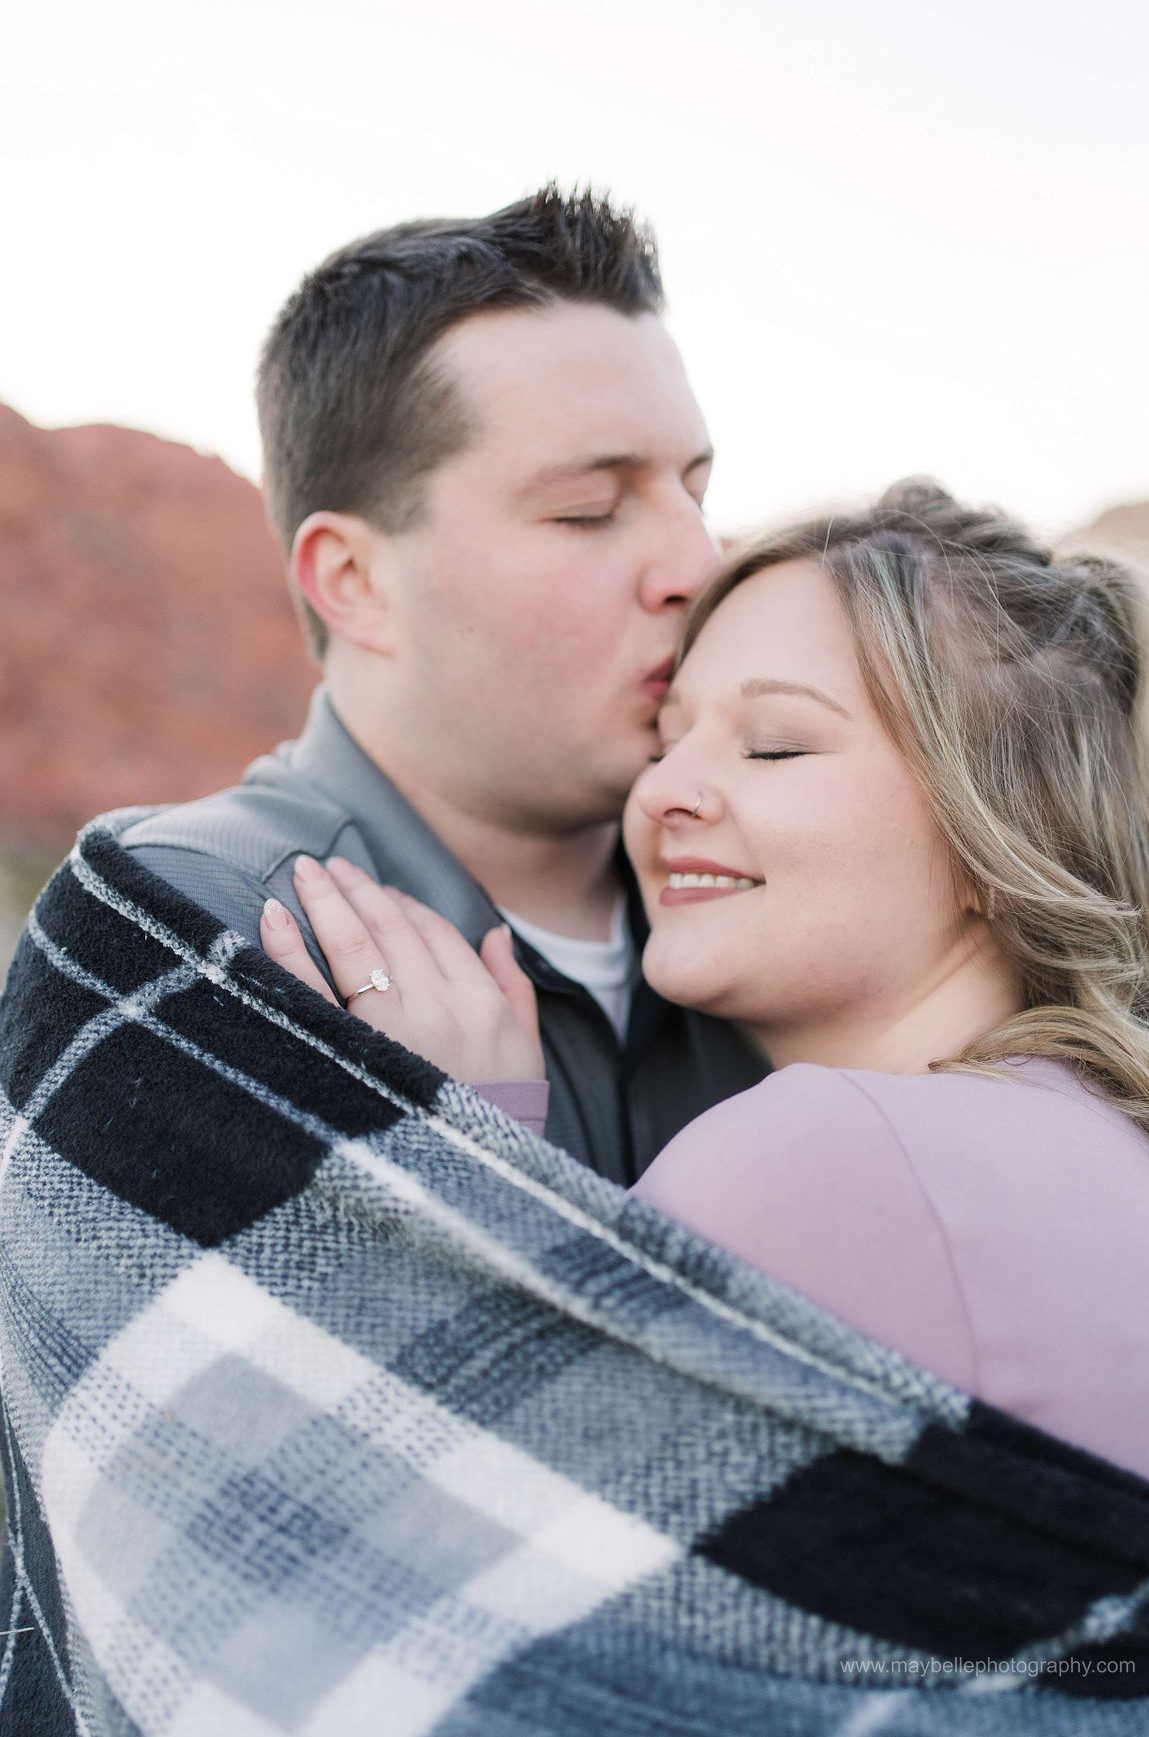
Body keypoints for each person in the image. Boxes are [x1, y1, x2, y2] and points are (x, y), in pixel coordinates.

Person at [262, 479, 1149, 1505]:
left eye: (776, 745)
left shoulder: (823, 1152)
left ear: (1002, 835)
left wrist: (463, 1160)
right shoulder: (1110, 1142)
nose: (662, 791)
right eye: (666, 742)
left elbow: (457, 1532)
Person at [115, 185, 767, 1183]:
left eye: (696, 492)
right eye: (589, 510)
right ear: (355, 581)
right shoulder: (183, 925)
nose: (700, 563)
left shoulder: (797, 892)